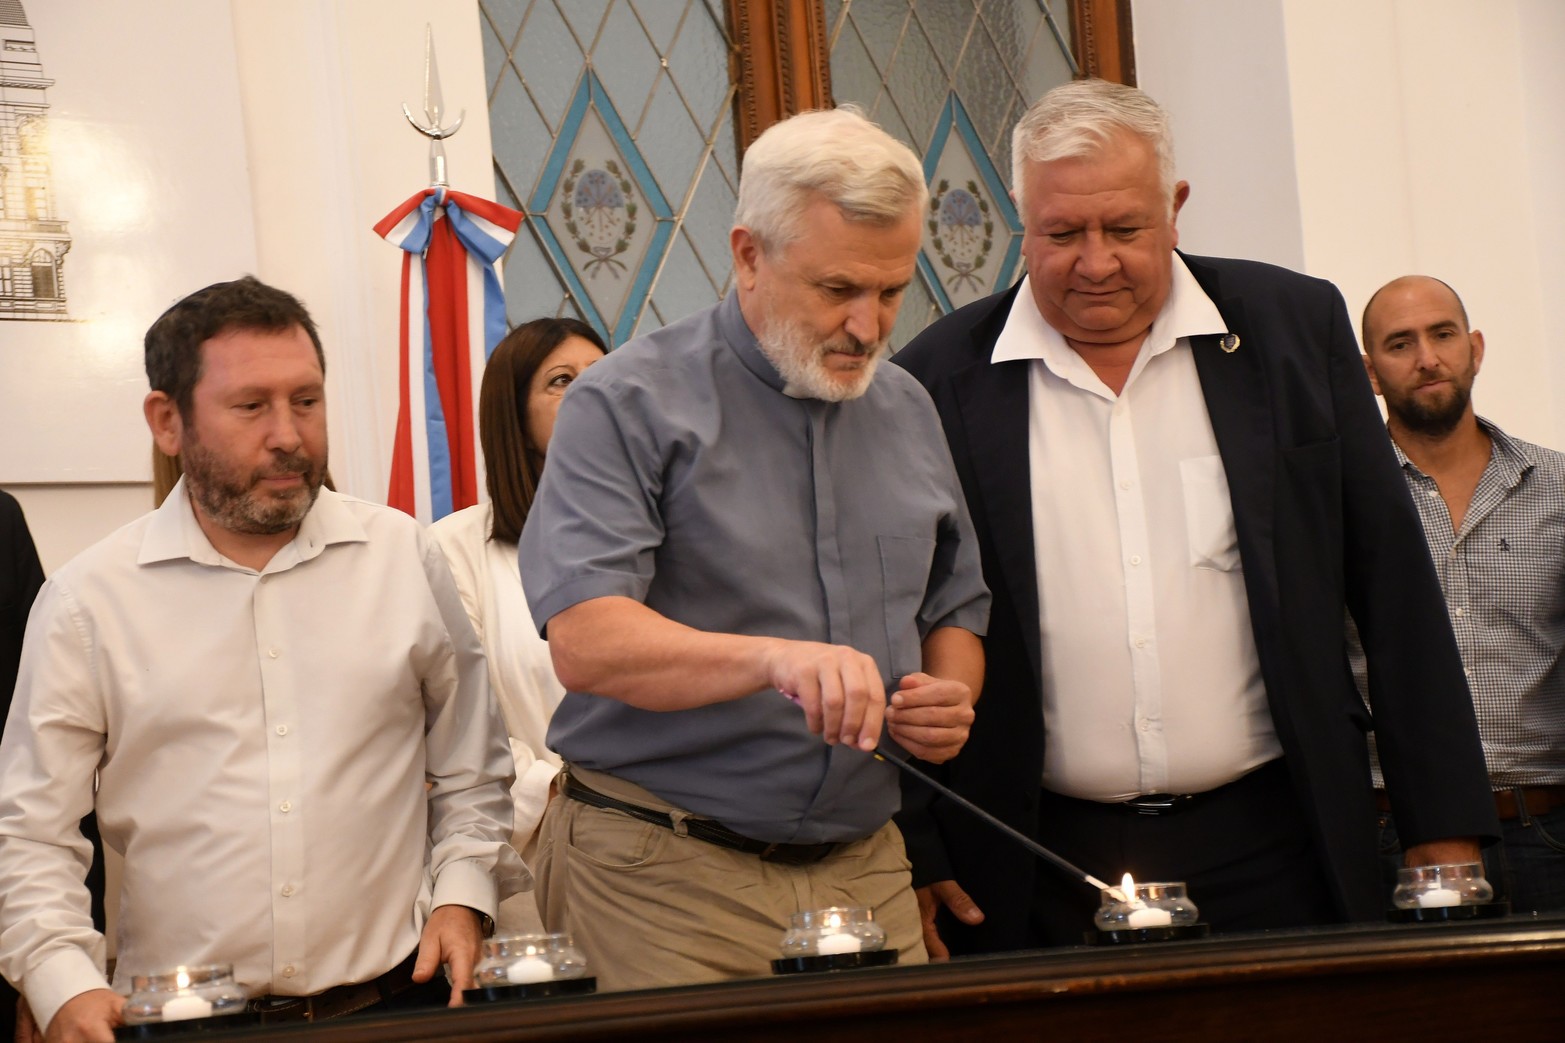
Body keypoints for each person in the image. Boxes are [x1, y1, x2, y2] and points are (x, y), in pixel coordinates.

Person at [892, 79, 1498, 956]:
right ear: (1019, 216)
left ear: (1174, 208)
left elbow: (1391, 586)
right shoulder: (937, 377)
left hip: (1278, 841)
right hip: (1032, 860)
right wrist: (918, 840)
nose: (1094, 262)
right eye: (1061, 233)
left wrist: (1439, 826)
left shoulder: (1292, 329)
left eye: (1123, 230)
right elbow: (902, 620)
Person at [517, 106, 991, 990]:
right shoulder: (624, 403)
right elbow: (585, 639)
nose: (867, 325)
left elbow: (954, 606)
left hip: (865, 868)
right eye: (836, 288)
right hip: (662, 873)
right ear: (746, 254)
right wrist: (771, 658)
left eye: (891, 292)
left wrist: (950, 693)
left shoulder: (908, 408)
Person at [0, 276, 526, 1040]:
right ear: (167, 421)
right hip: (178, 1020)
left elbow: (474, 766)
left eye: (306, 401)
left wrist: (461, 891)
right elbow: (29, 830)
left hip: (399, 1006)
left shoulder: (402, 556)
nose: (288, 433)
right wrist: (61, 980)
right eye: (252, 406)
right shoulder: (90, 601)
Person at [1356, 275, 1565, 913]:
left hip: (1547, 830)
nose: (1427, 358)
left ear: (1474, 347)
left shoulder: (1557, 489)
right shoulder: (1343, 501)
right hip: (1394, 837)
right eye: (1400, 343)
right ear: (1369, 371)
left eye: (1443, 334)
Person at [430, 317, 607, 931]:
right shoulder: (453, 550)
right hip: (535, 861)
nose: (590, 391)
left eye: (602, 373)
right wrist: (565, 793)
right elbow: (456, 727)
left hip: (672, 851)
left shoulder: (670, 539)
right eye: (561, 381)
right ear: (512, 413)